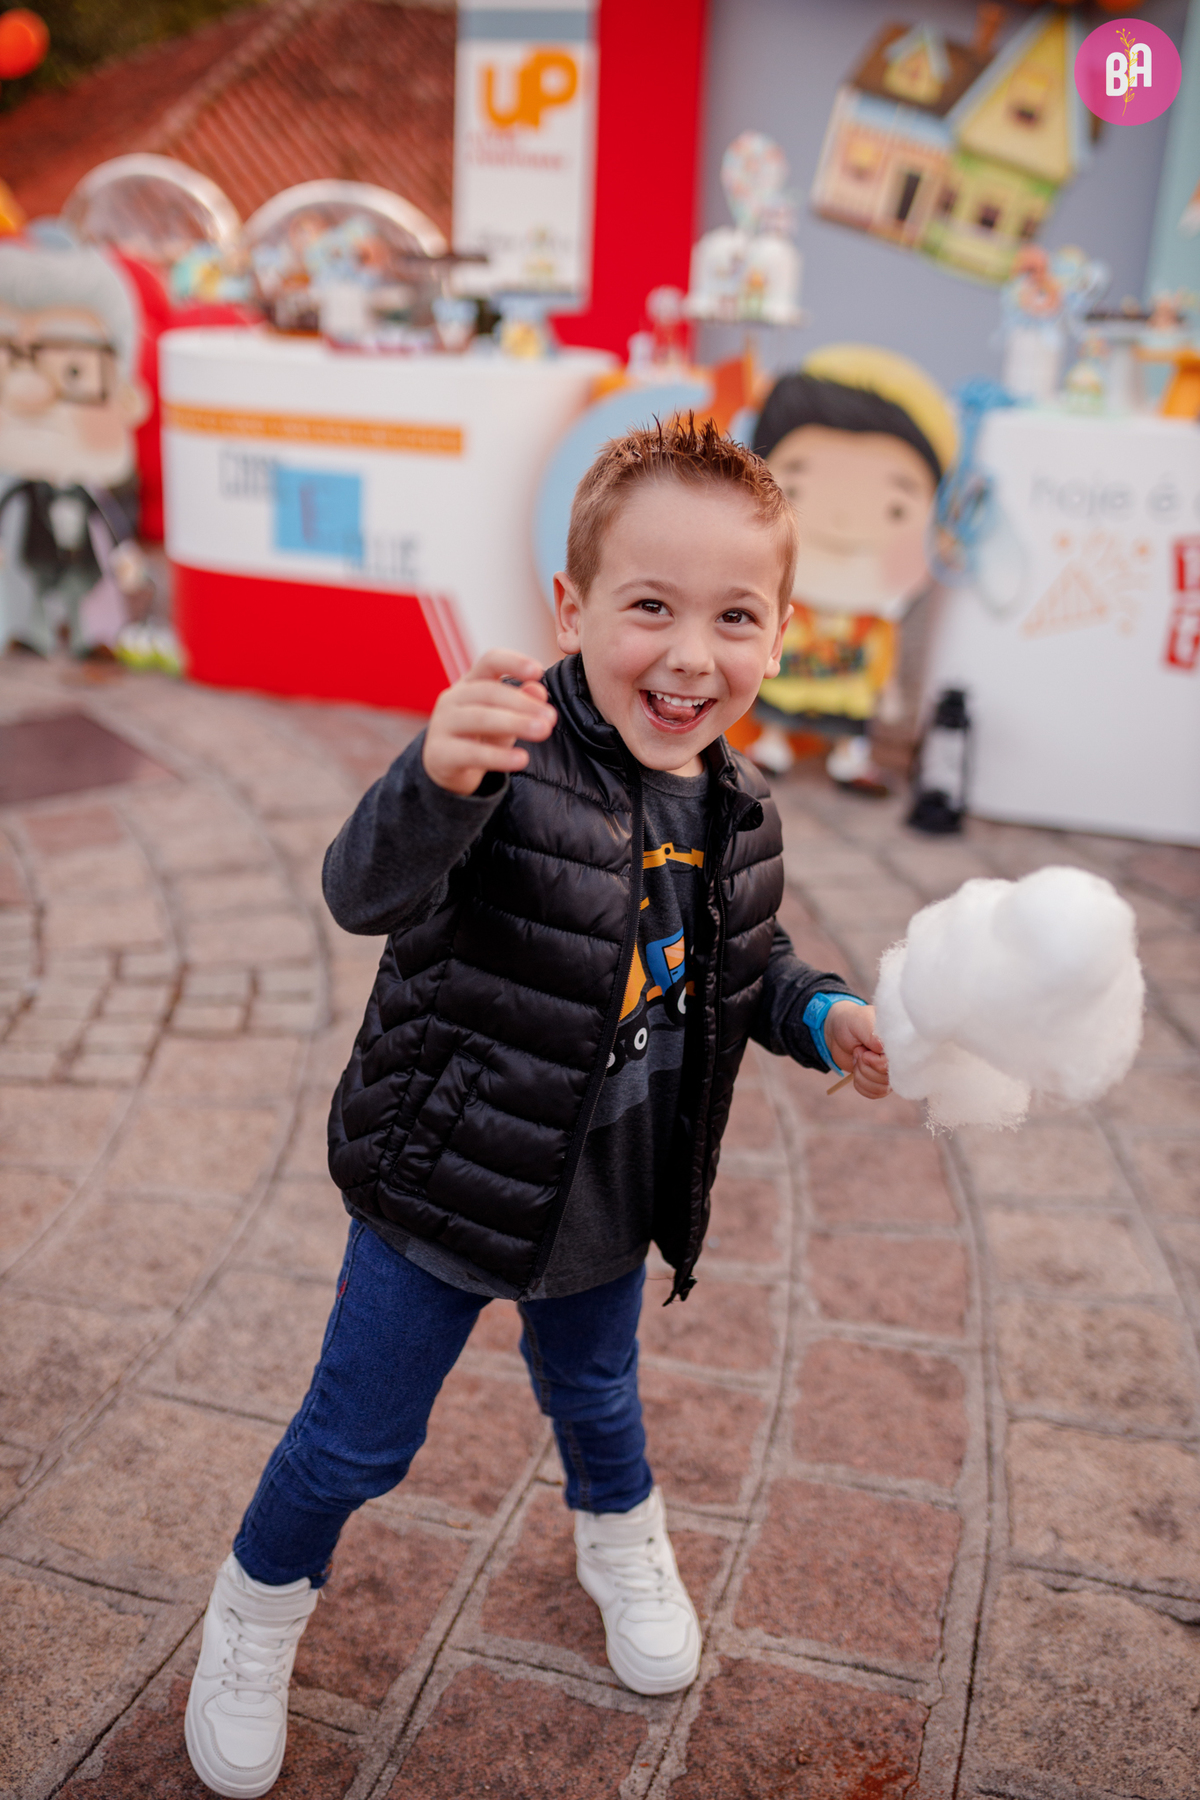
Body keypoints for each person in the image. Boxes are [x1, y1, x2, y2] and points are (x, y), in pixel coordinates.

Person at [184, 415, 890, 1799]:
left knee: (599, 1394)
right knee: (356, 1438)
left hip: (610, 1190)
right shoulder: (505, 757)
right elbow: (362, 891)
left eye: (733, 616)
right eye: (650, 607)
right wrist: (430, 778)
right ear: (571, 608)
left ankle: (618, 1537)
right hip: (444, 1180)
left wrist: (824, 1017)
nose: (690, 656)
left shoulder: (741, 808)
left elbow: (740, 965)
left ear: (779, 634)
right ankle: (256, 1606)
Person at [745, 345, 955, 794]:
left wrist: (892, 689)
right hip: (789, 667)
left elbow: (887, 648)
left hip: (850, 676)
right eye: (797, 487)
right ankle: (773, 745)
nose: (842, 520)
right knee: (780, 706)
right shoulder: (779, 592)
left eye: (895, 509)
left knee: (850, 715)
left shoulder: (876, 613)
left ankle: (848, 757)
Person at [0, 241, 150, 656]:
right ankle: (29, 631)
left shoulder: (91, 490)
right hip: (31, 556)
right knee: (30, 591)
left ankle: (91, 636)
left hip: (84, 563)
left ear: (126, 398)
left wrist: (127, 562)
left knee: (83, 596)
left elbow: (112, 524)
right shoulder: (18, 485)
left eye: (73, 371)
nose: (28, 392)